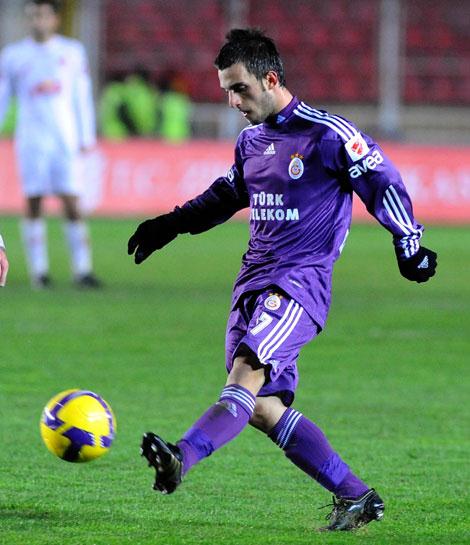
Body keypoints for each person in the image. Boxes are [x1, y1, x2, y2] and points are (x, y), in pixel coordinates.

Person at [128, 29, 437, 532]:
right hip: (252, 283)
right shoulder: (250, 141)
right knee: (259, 407)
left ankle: (182, 456)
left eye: (240, 89)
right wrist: (171, 224)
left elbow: (381, 181)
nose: (233, 102)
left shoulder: (328, 135)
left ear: (271, 79)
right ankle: (356, 496)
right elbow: (226, 196)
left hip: (299, 283)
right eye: (226, 90)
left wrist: (410, 244)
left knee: (245, 376)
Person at [0, 0, 101, 288]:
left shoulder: (72, 52)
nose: (37, 21)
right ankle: (39, 272)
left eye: (43, 15)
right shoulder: (13, 56)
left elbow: (82, 95)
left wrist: (86, 136)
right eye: (33, 16)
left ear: (55, 19)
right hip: (31, 140)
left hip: (64, 139)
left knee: (72, 202)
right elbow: (3, 96)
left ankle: (82, 270)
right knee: (33, 201)